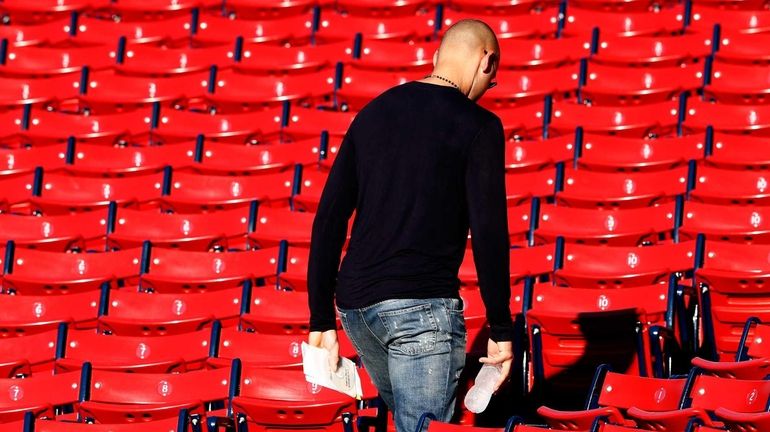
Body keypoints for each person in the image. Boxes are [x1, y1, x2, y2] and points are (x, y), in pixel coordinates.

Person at [306, 19, 514, 432]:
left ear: (437, 58)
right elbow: (489, 232)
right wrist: (502, 325)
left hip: (357, 309)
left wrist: (320, 318)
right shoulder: (480, 125)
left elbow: (329, 217)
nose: (487, 91)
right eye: (491, 81)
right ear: (486, 61)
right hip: (421, 309)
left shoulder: (373, 112)